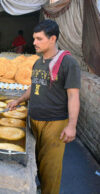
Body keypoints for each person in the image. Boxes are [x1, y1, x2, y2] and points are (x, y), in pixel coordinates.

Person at [7, 20, 80, 194]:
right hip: (35, 121)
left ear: (52, 39)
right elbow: (34, 86)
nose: (34, 43)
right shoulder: (38, 63)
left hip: (54, 123)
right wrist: (18, 101)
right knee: (39, 163)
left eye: (39, 39)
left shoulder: (68, 63)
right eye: (34, 39)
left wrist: (72, 126)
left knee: (51, 168)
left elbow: (73, 95)